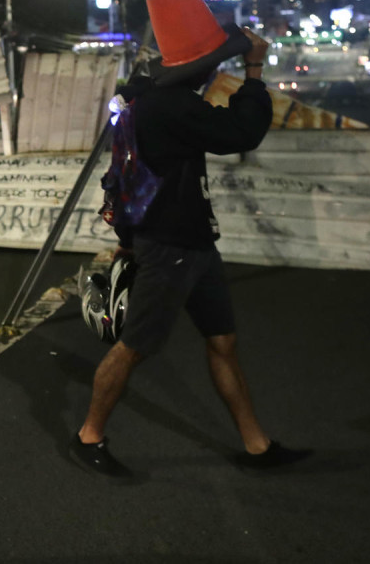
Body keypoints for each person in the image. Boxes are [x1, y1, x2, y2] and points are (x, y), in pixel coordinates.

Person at [68, 26, 313, 481]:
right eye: (208, 64)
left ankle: (257, 446)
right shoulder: (171, 105)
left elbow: (122, 172)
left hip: (192, 240)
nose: (211, 71)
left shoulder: (138, 101)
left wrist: (127, 232)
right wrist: (253, 71)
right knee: (134, 347)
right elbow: (240, 132)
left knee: (222, 342)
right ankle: (89, 436)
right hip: (171, 245)